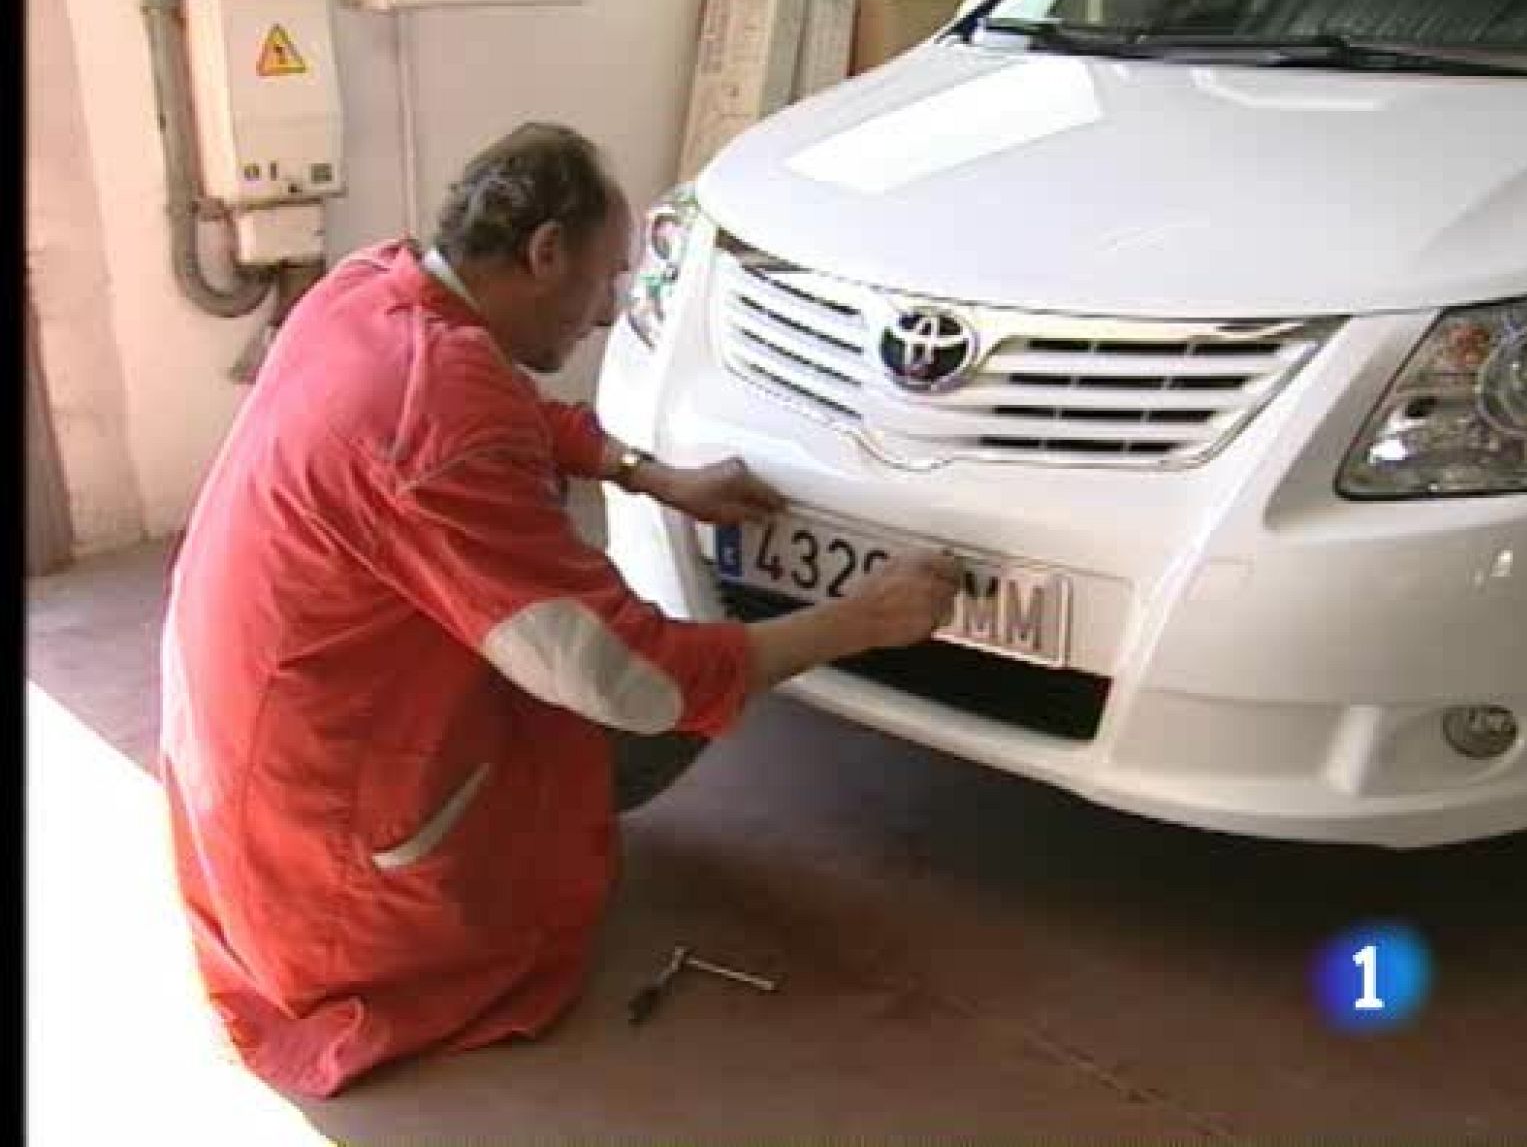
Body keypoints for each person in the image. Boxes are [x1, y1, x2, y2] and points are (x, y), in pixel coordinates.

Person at [158, 122, 960, 1098]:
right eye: (602, 280)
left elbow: (508, 408)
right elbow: (630, 678)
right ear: (544, 252)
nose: (601, 315)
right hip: (327, 876)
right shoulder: (442, 411)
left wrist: (651, 473)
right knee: (666, 689)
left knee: (621, 649)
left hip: (246, 778)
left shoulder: (371, 288)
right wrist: (858, 620)